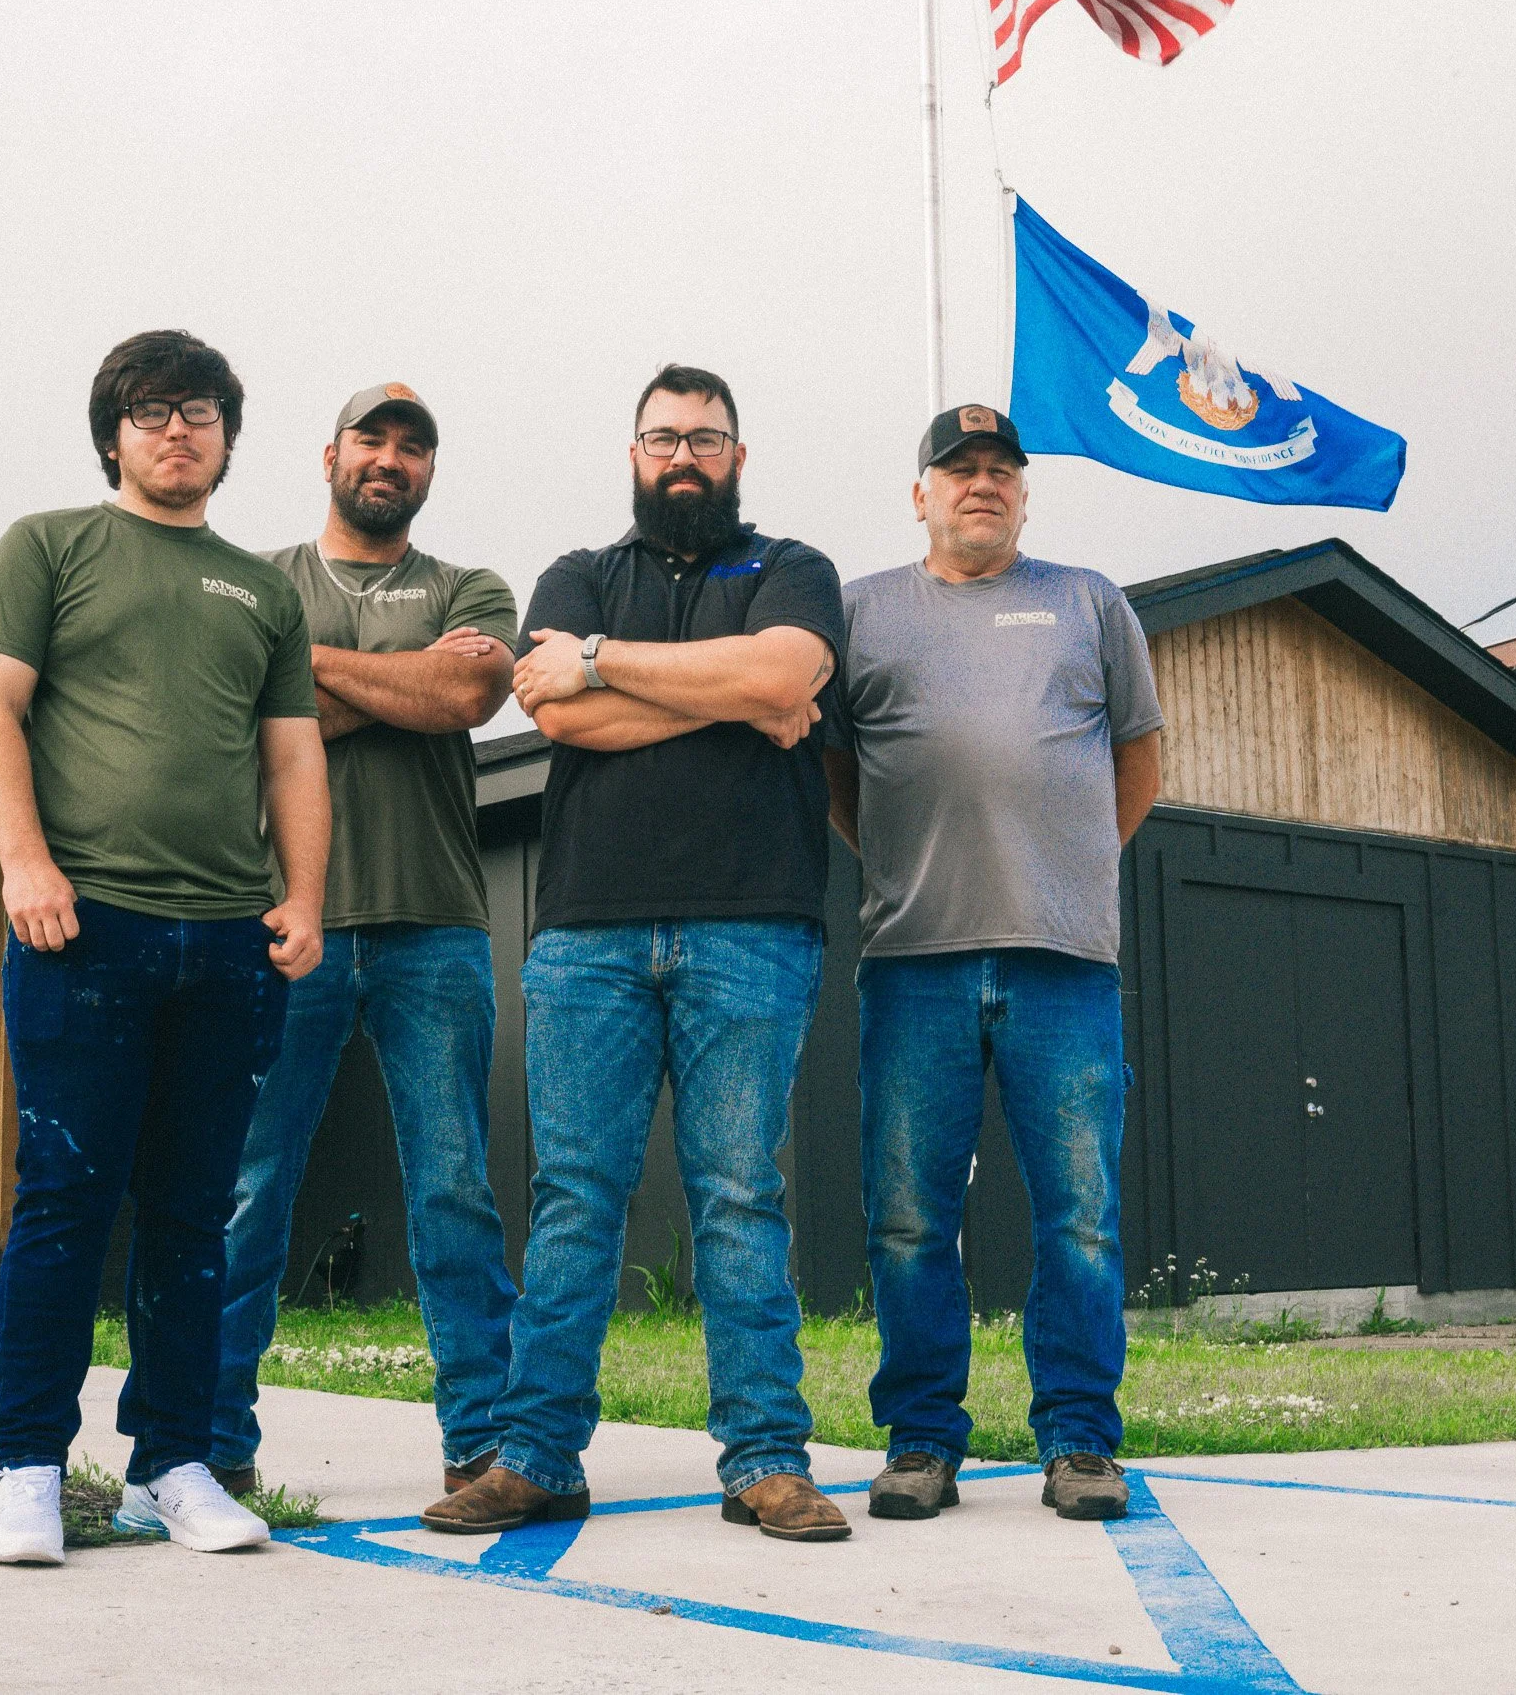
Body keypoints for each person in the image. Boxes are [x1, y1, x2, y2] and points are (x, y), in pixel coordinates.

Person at [421, 363, 850, 1544]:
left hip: (751, 926)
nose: (682, 456)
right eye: (662, 437)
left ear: (737, 457)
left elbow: (780, 671)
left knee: (737, 1196)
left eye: (704, 439)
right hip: (589, 935)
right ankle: (535, 1457)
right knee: (573, 1200)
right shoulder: (576, 574)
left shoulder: (792, 569)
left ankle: (764, 1460)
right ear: (632, 453)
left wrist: (607, 664)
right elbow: (554, 715)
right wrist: (733, 697)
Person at [0, 329, 331, 1565]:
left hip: (226, 944)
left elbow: (290, 754)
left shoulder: (260, 590)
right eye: (155, 410)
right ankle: (25, 1469)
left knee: (189, 1218)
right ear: (113, 431)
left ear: (228, 434)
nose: (180, 430)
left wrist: (305, 896)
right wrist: (24, 864)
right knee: (65, 1203)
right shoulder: (48, 545)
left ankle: (171, 1462)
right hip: (82, 929)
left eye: (204, 411)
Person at [826, 403, 1163, 1524]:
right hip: (912, 958)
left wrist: (1060, 868)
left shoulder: (1087, 602)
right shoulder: (859, 612)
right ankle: (921, 1440)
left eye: (999, 471)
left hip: (1062, 964)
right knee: (909, 1218)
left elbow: (1136, 760)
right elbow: (837, 775)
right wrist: (905, 864)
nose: (980, 484)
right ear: (916, 491)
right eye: (956, 468)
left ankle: (1077, 1440)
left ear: (1024, 492)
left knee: (1078, 1213)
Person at [210, 382, 521, 1507]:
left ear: (427, 470)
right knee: (248, 1186)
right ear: (329, 453)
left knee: (454, 1191)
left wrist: (309, 673)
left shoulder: (468, 587)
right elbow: (240, 722)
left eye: (411, 446)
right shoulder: (254, 581)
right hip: (281, 922)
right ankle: (213, 1442)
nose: (389, 458)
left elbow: (466, 692)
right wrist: (406, 681)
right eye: (371, 439)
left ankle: (480, 1441)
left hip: (432, 923)